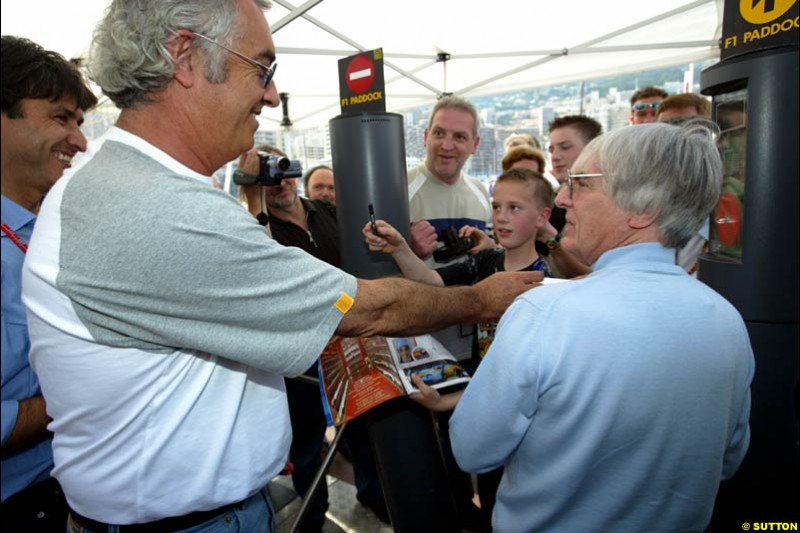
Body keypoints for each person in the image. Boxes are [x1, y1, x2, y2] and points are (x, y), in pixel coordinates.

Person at [19, 2, 541, 532]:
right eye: (262, 69)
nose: (270, 94)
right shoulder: (149, 205)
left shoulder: (131, 186)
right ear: (184, 56)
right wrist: (480, 300)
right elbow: (359, 309)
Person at [450, 121, 754, 533]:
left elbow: (472, 448)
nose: (562, 198)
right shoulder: (726, 321)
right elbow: (727, 461)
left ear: (643, 209)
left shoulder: (545, 313)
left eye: (581, 184)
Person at [365, 168, 555, 532]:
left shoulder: (549, 277)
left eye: (515, 208)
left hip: (531, 418)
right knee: (491, 493)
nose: (501, 216)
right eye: (497, 206)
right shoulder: (486, 263)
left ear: (543, 216)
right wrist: (400, 248)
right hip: (488, 403)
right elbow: (433, 282)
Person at [238, 145, 388, 529]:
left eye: (283, 171)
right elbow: (260, 266)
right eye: (268, 176)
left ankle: (372, 493)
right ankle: (313, 514)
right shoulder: (255, 226)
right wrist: (253, 194)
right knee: (306, 444)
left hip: (351, 342)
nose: (279, 183)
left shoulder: (328, 212)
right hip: (300, 352)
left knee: (362, 429)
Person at [1, 35, 97, 531]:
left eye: (79, 123)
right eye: (61, 118)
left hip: (71, 495)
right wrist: (84, 390)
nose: (79, 142)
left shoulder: (55, 232)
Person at [405, 94, 491, 527]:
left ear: (475, 144)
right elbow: (371, 271)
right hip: (418, 344)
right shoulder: (399, 188)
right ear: (425, 136)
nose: (447, 145)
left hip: (469, 342)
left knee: (462, 436)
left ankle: (462, 513)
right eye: (440, 133)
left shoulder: (482, 195)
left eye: (459, 136)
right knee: (423, 451)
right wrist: (409, 252)